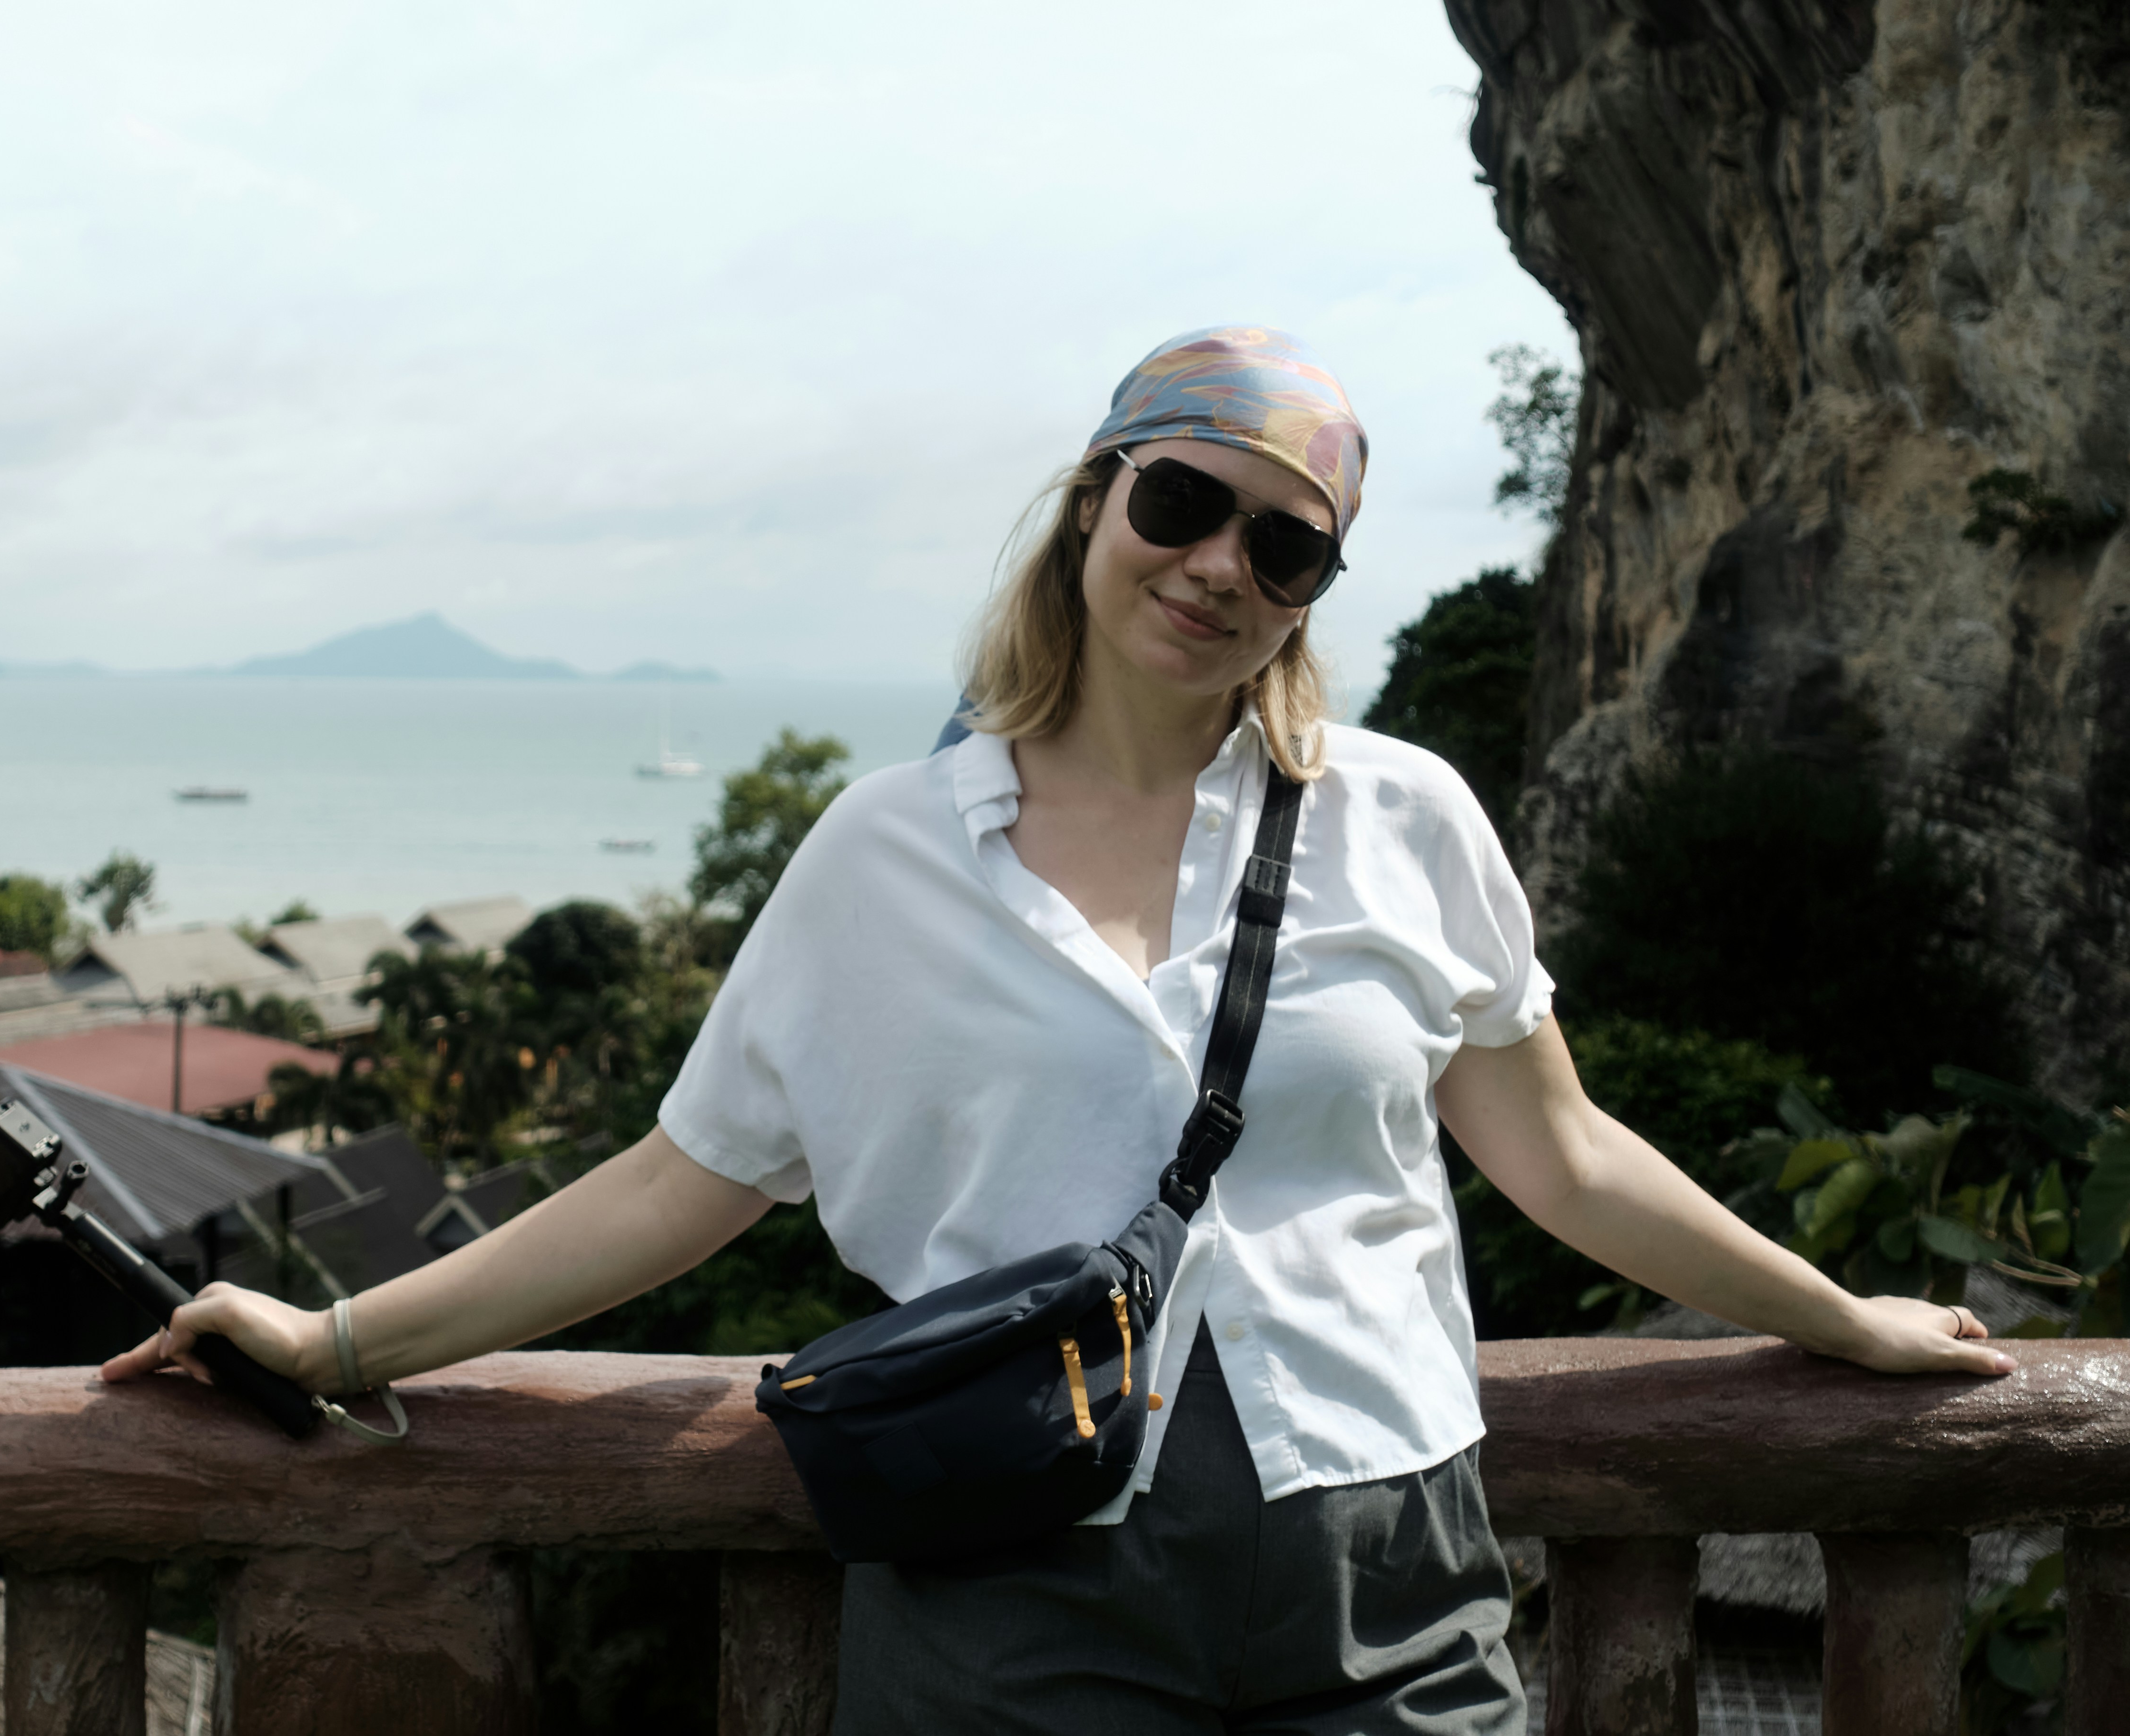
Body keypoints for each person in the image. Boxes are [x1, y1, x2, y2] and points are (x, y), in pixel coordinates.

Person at [105, 325, 2013, 1733]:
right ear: (1096, 500)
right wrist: (340, 1339)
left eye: (1286, 547)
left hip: (1390, 1579)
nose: (1221, 565)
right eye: (1182, 502)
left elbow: (1566, 1157)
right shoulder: (888, 856)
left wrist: (1836, 1320)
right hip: (1012, 1584)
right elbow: (687, 1183)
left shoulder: (1405, 819)